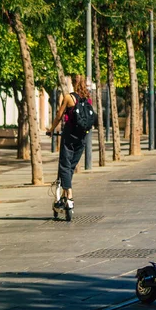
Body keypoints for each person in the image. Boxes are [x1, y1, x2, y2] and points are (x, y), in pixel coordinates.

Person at [46, 75, 91, 210]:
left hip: (69, 136)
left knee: (64, 165)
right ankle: (65, 195)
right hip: (82, 138)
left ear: (74, 84)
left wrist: (51, 129)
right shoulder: (88, 99)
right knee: (71, 167)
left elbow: (59, 115)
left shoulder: (68, 97)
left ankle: (69, 195)